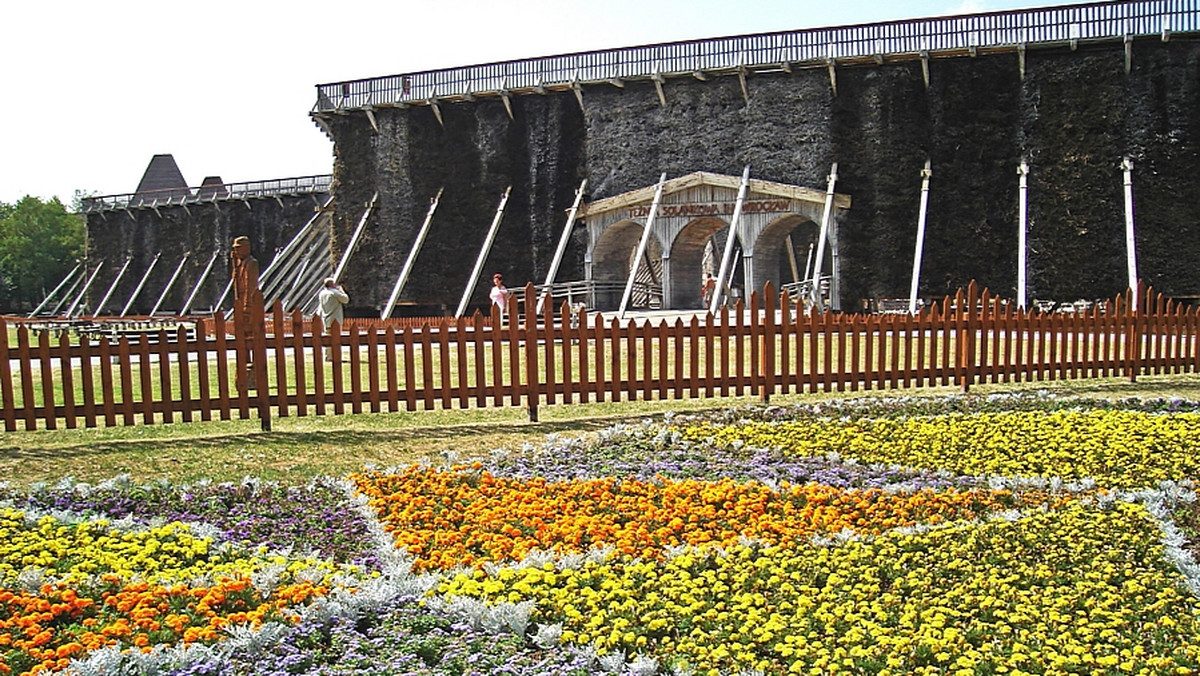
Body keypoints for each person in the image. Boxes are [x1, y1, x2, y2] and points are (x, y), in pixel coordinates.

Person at [318, 277, 349, 362]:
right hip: (335, 319)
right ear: (331, 284)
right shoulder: (335, 293)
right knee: (336, 339)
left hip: (325, 319)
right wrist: (341, 290)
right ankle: (336, 356)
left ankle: (328, 356)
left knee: (328, 338)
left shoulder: (322, 293)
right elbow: (345, 300)